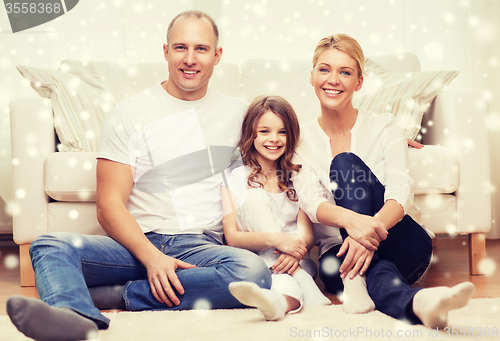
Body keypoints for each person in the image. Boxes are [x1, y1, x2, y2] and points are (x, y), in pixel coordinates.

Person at [7, 10, 272, 341]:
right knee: (51, 244)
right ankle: (70, 318)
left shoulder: (240, 113)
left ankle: (113, 297)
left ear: (217, 56)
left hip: (202, 247)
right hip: (137, 243)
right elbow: (109, 205)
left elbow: (274, 175)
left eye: (201, 49)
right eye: (180, 48)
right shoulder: (129, 113)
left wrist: (288, 238)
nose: (190, 59)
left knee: (253, 272)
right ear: (165, 51)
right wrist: (152, 258)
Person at [292, 33, 475, 327]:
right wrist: (355, 226)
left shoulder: (386, 126)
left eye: (345, 72)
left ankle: (357, 275)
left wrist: (362, 236)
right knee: (377, 272)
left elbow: (399, 193)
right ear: (312, 76)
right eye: (324, 69)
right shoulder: (299, 139)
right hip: (336, 260)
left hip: (403, 244)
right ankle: (418, 303)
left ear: (359, 82)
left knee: (345, 163)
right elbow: (311, 201)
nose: (333, 79)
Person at [220, 96, 331, 321]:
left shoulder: (296, 178)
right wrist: (276, 241)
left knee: (284, 281)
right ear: (250, 135)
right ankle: (290, 293)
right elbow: (231, 237)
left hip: (297, 259)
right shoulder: (235, 177)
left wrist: (293, 253)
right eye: (264, 131)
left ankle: (279, 300)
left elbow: (306, 235)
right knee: (253, 197)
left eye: (282, 132)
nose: (274, 139)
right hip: (261, 262)